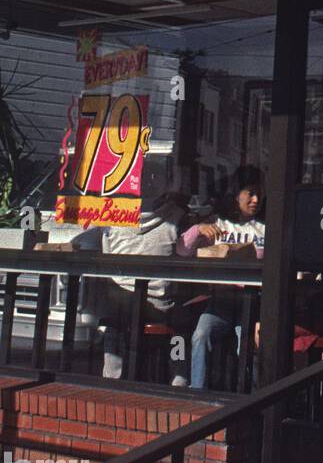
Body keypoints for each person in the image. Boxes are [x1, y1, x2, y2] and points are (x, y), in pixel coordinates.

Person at [94, 161, 190, 386]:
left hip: (120, 306)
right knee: (185, 326)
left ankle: (110, 383)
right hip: (161, 306)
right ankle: (180, 383)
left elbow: (103, 255)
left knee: (113, 325)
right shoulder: (176, 217)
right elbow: (185, 255)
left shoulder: (110, 217)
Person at [177, 167, 265, 389]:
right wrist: (198, 229)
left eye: (258, 194)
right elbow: (182, 250)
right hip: (222, 300)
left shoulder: (265, 228)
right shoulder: (219, 224)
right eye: (250, 194)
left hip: (253, 302)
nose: (255, 199)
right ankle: (198, 392)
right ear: (236, 195)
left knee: (247, 346)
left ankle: (254, 396)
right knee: (200, 336)